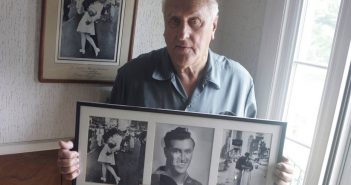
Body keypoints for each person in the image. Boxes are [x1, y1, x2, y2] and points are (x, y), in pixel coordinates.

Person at [57, 0, 293, 184]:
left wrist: (276, 174)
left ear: (213, 26)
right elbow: (99, 140)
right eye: (174, 21)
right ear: (164, 26)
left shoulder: (240, 82)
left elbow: (254, 153)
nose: (182, 34)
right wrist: (74, 161)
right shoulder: (131, 77)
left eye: (195, 22)